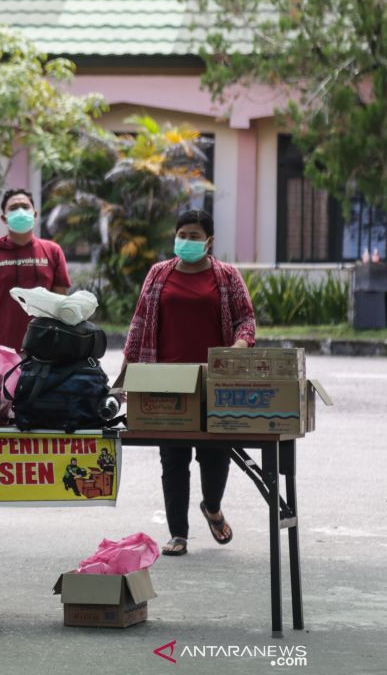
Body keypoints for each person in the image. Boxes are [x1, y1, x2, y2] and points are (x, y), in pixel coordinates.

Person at [122, 208, 256, 557]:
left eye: (195, 236)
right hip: (166, 379)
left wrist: (237, 348)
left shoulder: (227, 276)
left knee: (215, 455)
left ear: (209, 241)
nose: (187, 241)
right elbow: (137, 326)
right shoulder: (158, 274)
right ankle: (178, 534)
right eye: (183, 234)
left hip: (214, 381)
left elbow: (246, 320)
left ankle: (212, 507)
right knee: (173, 459)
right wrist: (124, 374)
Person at [0, 189, 71, 349]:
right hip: (1, 349)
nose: (20, 211)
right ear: (4, 218)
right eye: (13, 208)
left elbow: (61, 301)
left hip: (44, 349)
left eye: (25, 206)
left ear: (35, 214)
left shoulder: (53, 251)